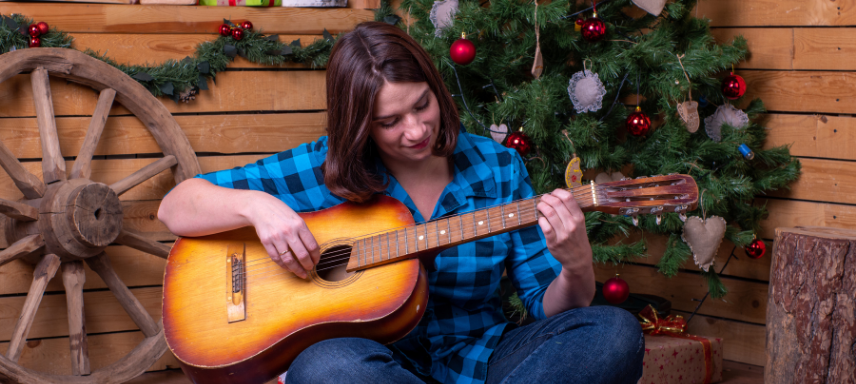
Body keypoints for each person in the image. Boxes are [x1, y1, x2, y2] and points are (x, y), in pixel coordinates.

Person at [158, 21, 643, 384]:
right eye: (389, 122)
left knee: (614, 332)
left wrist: (577, 265)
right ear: (359, 124)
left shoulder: (497, 166)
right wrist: (258, 209)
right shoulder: (322, 166)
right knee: (324, 367)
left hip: (486, 358)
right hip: (379, 367)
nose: (414, 131)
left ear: (435, 90)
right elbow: (176, 205)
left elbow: (551, 309)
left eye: (421, 105)